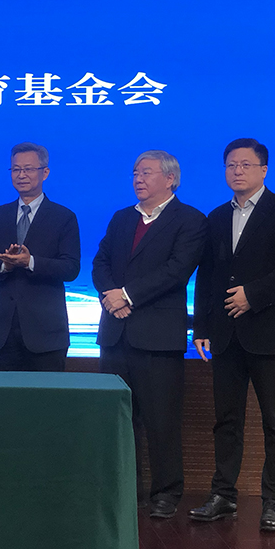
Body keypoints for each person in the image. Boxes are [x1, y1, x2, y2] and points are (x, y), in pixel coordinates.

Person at [190, 138, 275, 532]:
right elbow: (207, 277)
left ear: (263, 169)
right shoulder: (216, 217)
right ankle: (223, 495)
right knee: (226, 420)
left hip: (269, 334)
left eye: (245, 164)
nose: (237, 171)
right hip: (225, 335)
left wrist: (252, 295)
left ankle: (273, 501)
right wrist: (201, 327)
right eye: (231, 165)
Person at [92, 150, 207, 519]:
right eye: (135, 173)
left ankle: (166, 492)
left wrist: (127, 295)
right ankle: (126, 488)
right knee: (117, 419)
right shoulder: (121, 218)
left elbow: (177, 270)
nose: (138, 179)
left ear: (170, 179)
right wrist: (111, 296)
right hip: (116, 333)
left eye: (146, 173)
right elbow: (100, 262)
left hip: (158, 336)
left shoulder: (190, 220)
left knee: (161, 420)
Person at [0, 142, 80, 371]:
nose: (21, 175)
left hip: (46, 334)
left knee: (46, 394)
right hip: (2, 333)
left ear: (45, 172)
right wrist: (5, 266)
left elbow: (71, 268)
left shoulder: (64, 217)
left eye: (28, 169)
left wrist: (30, 262)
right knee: (3, 394)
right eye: (16, 169)